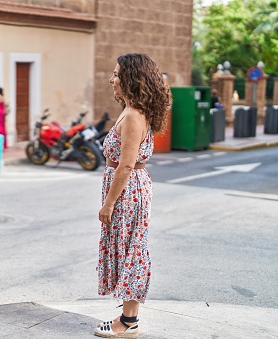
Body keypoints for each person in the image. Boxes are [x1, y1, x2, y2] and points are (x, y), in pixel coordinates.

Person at [95, 53, 170, 338]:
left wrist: (108, 203)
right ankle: (127, 316)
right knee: (128, 248)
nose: (111, 79)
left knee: (132, 251)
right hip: (130, 188)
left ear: (130, 78)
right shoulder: (131, 110)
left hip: (128, 192)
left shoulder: (134, 116)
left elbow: (126, 165)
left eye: (116, 74)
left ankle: (129, 322)